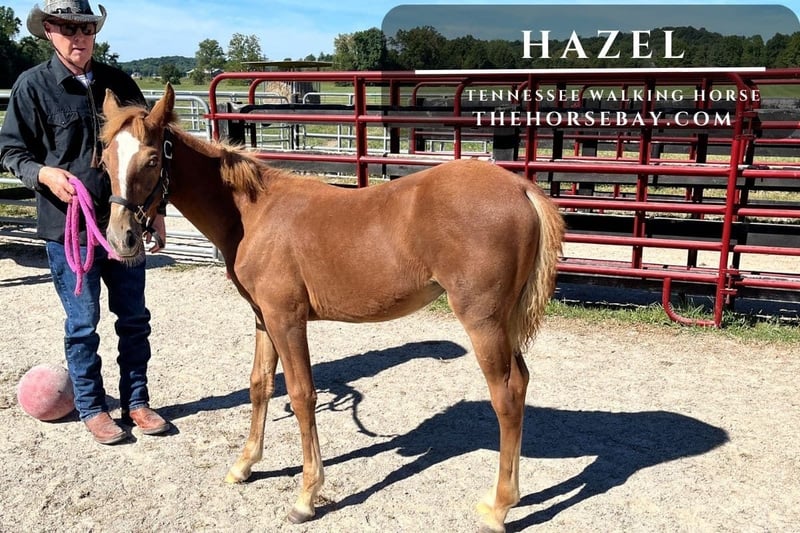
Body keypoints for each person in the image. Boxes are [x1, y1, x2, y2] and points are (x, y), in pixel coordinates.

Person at [0, 0, 170, 444]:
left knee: (134, 317)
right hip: (70, 228)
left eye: (85, 28)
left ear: (94, 32)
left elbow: (150, 153)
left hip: (125, 222)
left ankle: (137, 401)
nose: (78, 37)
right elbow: (11, 151)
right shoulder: (32, 86)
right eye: (66, 27)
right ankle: (93, 407)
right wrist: (45, 174)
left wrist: (157, 213)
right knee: (82, 323)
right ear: (49, 32)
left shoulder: (120, 83)